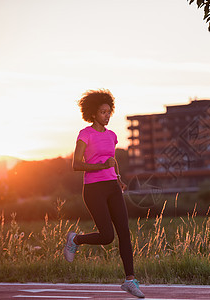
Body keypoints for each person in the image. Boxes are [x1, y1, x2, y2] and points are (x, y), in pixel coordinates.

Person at [63, 89, 145, 298]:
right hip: (93, 189)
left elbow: (112, 161)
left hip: (112, 187)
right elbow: (76, 164)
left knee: (124, 233)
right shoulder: (85, 134)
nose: (107, 115)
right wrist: (100, 166)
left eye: (109, 111)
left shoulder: (112, 136)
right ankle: (76, 240)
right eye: (102, 112)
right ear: (92, 113)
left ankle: (130, 280)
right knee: (107, 236)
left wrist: (118, 178)